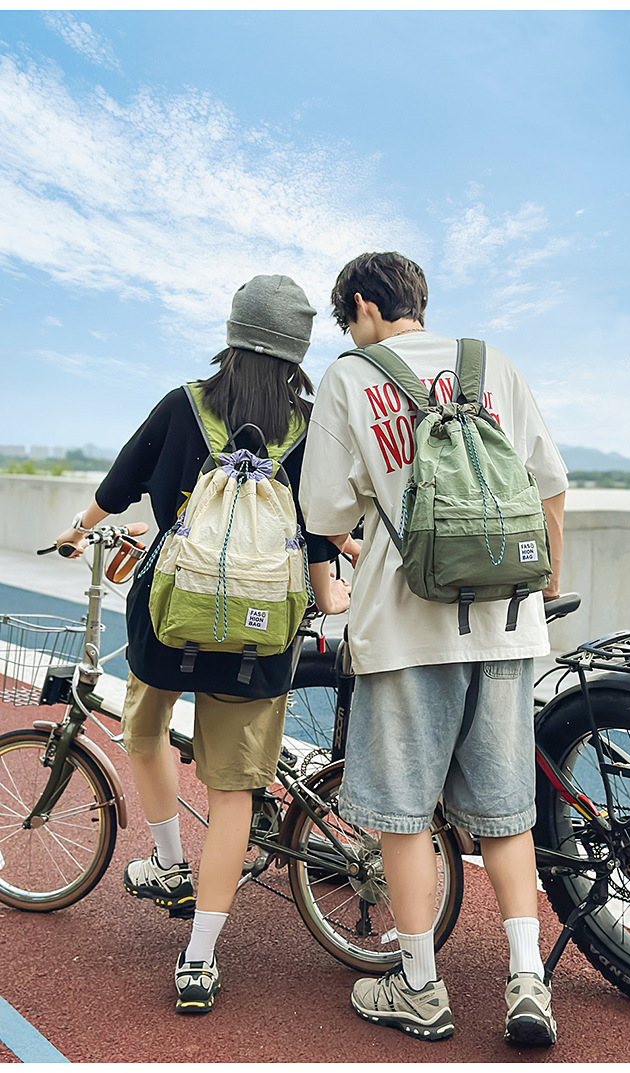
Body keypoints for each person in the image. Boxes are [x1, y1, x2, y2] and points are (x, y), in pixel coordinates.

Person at [56, 275, 352, 1014]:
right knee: (232, 794)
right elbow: (318, 535)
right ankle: (198, 961)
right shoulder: (310, 428)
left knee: (144, 726)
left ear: (232, 333)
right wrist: (331, 589)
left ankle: (167, 861)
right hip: (259, 640)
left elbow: (122, 480)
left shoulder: (186, 404)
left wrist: (79, 527)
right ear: (298, 352)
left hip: (169, 621)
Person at [300, 251, 568, 1045]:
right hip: (508, 622)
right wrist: (544, 587)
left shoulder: (351, 375)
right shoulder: (492, 364)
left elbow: (323, 506)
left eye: (347, 318)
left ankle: (420, 987)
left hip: (405, 628)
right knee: (506, 812)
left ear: (361, 305)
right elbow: (550, 483)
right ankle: (528, 981)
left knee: (404, 817)